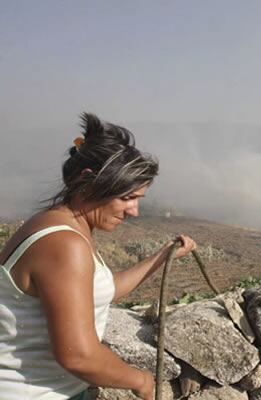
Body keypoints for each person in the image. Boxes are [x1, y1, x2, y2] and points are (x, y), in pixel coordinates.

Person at [0, 113, 197, 400]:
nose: (134, 211)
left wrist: (163, 256)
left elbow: (105, 290)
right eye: (127, 197)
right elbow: (77, 355)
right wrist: (140, 380)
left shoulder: (63, 226)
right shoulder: (64, 244)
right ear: (88, 182)